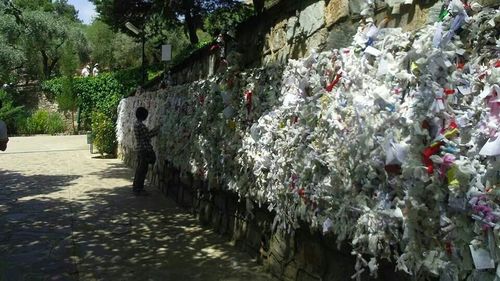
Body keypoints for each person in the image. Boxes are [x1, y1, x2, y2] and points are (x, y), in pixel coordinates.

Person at [133, 107, 160, 195]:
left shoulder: (136, 124)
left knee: (139, 169)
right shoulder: (141, 125)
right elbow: (148, 136)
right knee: (143, 170)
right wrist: (156, 131)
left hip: (140, 148)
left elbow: (146, 134)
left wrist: (154, 130)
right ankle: (139, 189)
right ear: (143, 115)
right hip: (144, 149)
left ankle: (136, 188)